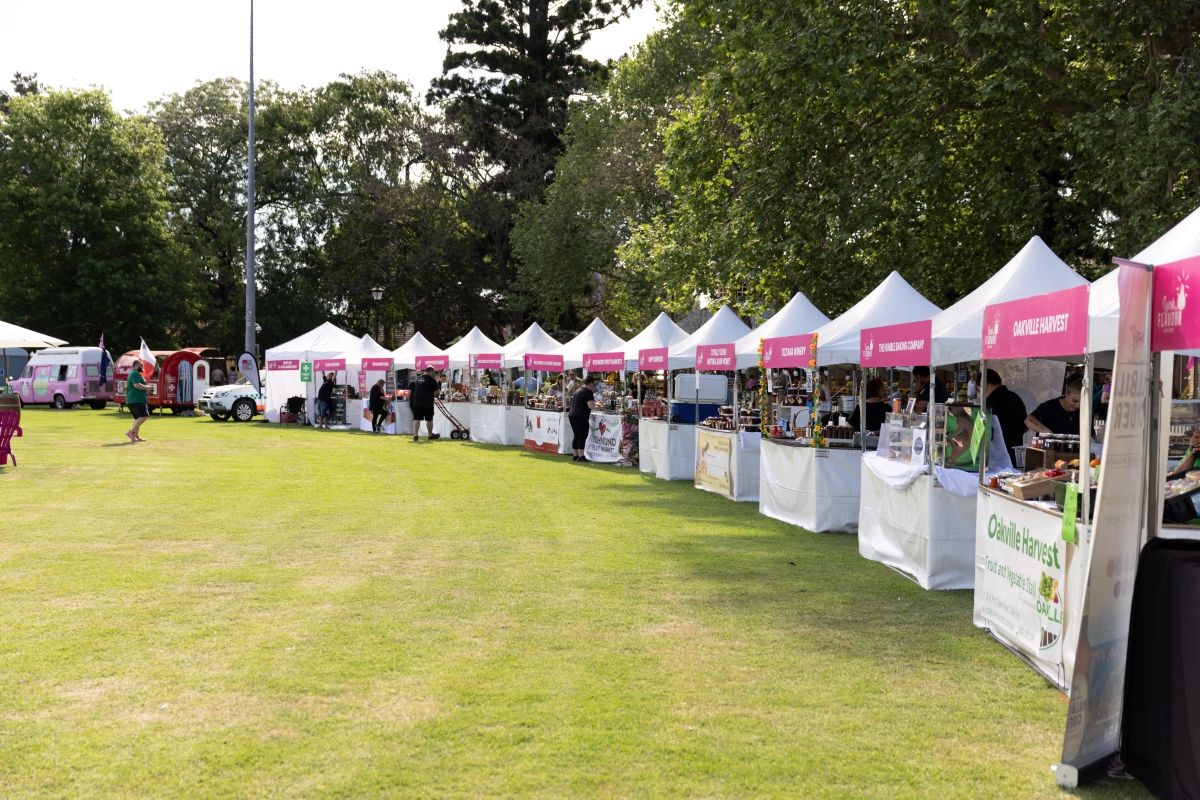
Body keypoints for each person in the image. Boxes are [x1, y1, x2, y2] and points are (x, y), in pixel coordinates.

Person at [983, 369, 1028, 464]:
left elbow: (984, 429)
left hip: (996, 455)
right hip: (1015, 451)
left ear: (985, 383)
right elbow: (1026, 424)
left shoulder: (990, 401)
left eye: (979, 388)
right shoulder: (1015, 397)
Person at [568, 377, 598, 462]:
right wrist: (598, 408)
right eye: (594, 385)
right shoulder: (588, 392)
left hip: (572, 415)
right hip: (580, 416)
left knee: (576, 435)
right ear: (591, 384)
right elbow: (591, 406)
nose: (594, 387)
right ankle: (581, 456)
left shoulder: (578, 390)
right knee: (582, 435)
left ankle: (575, 455)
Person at [409, 366, 440, 441]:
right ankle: (430, 435)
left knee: (416, 419)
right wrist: (436, 394)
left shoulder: (418, 379)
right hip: (428, 402)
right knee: (429, 419)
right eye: (434, 372)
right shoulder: (432, 380)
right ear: (431, 371)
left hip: (417, 402)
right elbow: (437, 393)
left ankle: (415, 434)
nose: (434, 374)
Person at [124, 361, 152, 443]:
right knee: (144, 416)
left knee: (137, 418)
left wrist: (146, 389)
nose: (142, 367)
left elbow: (137, 386)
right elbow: (136, 385)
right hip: (136, 399)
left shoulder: (135, 373)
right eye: (141, 365)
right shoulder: (135, 373)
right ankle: (131, 432)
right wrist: (147, 387)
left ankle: (135, 437)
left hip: (134, 399)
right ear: (135, 365)